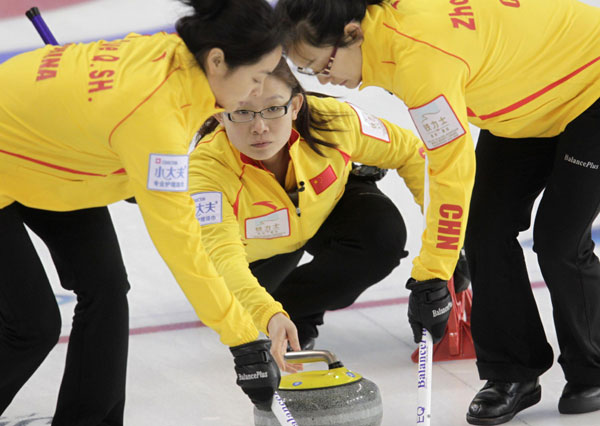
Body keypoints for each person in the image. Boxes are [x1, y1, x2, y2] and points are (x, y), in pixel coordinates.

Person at [273, 0, 600, 424]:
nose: (324, 80)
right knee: (484, 229)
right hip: (525, 97)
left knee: (558, 238)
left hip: (590, 84)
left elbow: (451, 169)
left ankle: (592, 365)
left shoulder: (418, 59)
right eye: (309, 73)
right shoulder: (386, 36)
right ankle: (512, 372)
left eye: (322, 64)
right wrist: (442, 263)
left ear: (352, 33)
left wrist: (432, 274)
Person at [0, 0, 299, 424]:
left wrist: (128, 177)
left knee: (105, 289)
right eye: (254, 79)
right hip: (17, 148)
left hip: (49, 152)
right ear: (217, 60)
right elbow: (183, 247)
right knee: (32, 325)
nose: (257, 91)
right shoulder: (156, 114)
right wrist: (242, 340)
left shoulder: (174, 58)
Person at [189, 57, 426, 352]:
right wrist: (269, 313)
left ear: (296, 106)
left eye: (274, 108)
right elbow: (223, 257)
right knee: (236, 304)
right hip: (258, 253)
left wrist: (445, 253)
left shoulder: (334, 122)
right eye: (242, 112)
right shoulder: (206, 169)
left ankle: (297, 308)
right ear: (220, 114)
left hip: (327, 208)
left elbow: (414, 154)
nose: (260, 127)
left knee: (381, 234)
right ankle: (281, 306)